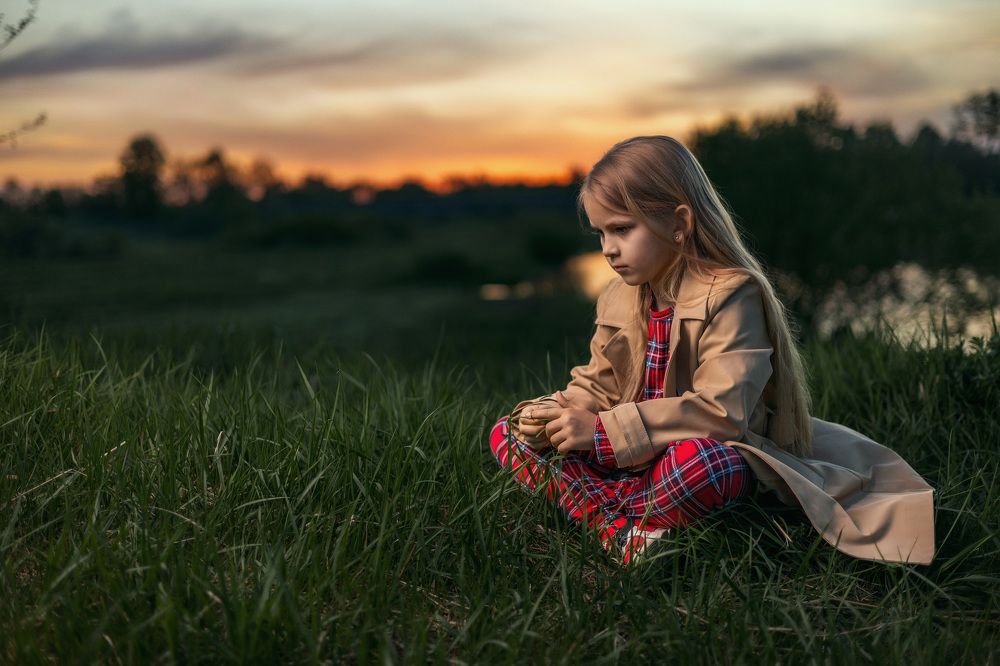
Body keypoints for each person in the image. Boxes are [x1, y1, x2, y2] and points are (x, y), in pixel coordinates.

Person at [487, 135, 936, 567]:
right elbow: (598, 382)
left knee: (703, 467)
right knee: (506, 433)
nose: (608, 249)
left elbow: (722, 414)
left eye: (622, 229)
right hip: (628, 451)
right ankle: (622, 529)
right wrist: (558, 412)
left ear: (679, 224)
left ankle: (602, 512)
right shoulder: (617, 297)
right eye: (601, 233)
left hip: (703, 449)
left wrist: (602, 434)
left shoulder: (730, 293)